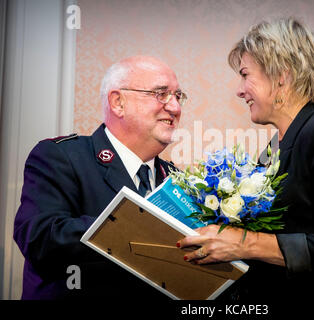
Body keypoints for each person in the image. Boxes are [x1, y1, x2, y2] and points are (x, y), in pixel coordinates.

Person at [178, 18, 314, 300]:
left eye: (245, 74)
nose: (239, 89)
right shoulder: (273, 150)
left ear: (281, 75)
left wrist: (246, 243)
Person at [13, 55, 186, 299]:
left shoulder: (177, 180)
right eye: (161, 94)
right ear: (118, 102)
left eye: (178, 96)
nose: (175, 108)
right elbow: (39, 239)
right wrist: (142, 229)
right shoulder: (62, 156)